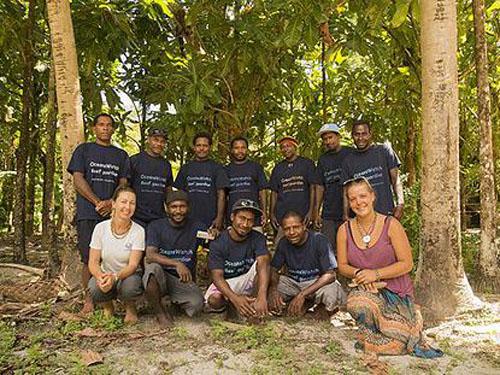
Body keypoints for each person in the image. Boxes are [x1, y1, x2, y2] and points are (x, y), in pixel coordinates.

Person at [337, 177, 442, 357]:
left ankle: (405, 325)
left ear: (372, 196)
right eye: (352, 198)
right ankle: (382, 333)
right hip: (366, 290)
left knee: (402, 337)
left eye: (362, 196)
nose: (358, 202)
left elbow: (407, 264)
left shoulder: (391, 224)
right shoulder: (344, 230)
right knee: (357, 303)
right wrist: (361, 274)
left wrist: (375, 274)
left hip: (396, 293)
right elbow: (342, 266)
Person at [67, 113, 130, 314]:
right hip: (89, 212)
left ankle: (113, 298)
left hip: (114, 215)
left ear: (113, 129)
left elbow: (123, 184)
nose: (105, 128)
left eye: (109, 125)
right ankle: (89, 299)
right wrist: (97, 202)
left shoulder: (121, 155)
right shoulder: (83, 150)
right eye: (101, 125)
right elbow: (77, 179)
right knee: (89, 258)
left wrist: (112, 203)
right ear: (94, 128)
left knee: (112, 257)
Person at [143, 191, 207, 328]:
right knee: (152, 268)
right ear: (166, 208)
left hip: (181, 280)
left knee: (196, 305)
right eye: (174, 207)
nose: (178, 211)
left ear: (188, 207)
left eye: (182, 206)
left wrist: (215, 234)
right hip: (161, 275)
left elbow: (212, 245)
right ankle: (159, 313)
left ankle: (174, 304)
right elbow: (150, 255)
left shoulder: (197, 227)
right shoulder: (155, 226)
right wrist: (177, 263)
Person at [268, 211, 346, 318]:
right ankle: (298, 305)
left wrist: (302, 294)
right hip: (294, 283)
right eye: (287, 229)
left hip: (315, 283)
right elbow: (273, 269)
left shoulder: (319, 240)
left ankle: (316, 307)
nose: (291, 232)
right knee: (266, 284)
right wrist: (273, 290)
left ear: (304, 226)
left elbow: (331, 275)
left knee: (332, 290)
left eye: (296, 227)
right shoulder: (283, 243)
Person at [87, 185, 145, 324]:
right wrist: (101, 277)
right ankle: (108, 307)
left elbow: (133, 264)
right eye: (123, 202)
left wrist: (115, 277)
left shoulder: (139, 231)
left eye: (132, 203)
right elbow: (93, 262)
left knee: (130, 287)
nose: (128, 207)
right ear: (114, 204)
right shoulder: (100, 228)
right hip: (106, 272)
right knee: (94, 287)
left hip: (129, 275)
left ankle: (130, 308)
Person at [206, 199, 270, 319]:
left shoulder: (258, 238)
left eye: (250, 220)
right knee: (214, 300)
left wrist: (262, 295)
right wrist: (234, 298)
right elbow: (217, 276)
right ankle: (232, 306)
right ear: (232, 217)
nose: (245, 224)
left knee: (264, 264)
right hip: (228, 283)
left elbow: (263, 263)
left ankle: (253, 307)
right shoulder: (219, 242)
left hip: (247, 281)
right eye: (242, 218)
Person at [341, 119, 404, 221]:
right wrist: (345, 214)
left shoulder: (384, 151)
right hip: (361, 218)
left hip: (386, 214)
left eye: (364, 134)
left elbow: (396, 180)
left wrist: (400, 203)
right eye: (357, 134)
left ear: (370, 134)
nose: (360, 138)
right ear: (352, 136)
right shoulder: (348, 161)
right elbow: (346, 192)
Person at [174, 132, 229, 236]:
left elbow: (221, 195)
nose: (201, 148)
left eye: (205, 145)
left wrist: (219, 218)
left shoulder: (217, 168)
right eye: (198, 145)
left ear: (210, 147)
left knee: (208, 249)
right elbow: (179, 195)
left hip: (210, 220)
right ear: (194, 147)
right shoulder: (186, 168)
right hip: (187, 219)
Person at [269, 136, 320, 242]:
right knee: (280, 246)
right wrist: (272, 214)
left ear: (295, 147)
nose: (285, 149)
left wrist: (312, 211)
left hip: (303, 215)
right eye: (282, 147)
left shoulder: (307, 164)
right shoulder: (278, 168)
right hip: (283, 216)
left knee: (307, 246)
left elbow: (313, 188)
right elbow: (274, 192)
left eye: (288, 146)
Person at [314, 123, 351, 252]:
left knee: (348, 248)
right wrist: (317, 211)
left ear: (338, 136)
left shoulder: (350, 153)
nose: (328, 141)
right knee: (328, 249)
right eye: (325, 139)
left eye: (330, 137)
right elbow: (320, 186)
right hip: (329, 212)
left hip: (351, 211)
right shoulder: (323, 159)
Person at [129, 128, 173, 227]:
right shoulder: (135, 160)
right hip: (136, 217)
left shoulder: (166, 165)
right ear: (148, 140)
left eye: (162, 141)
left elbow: (168, 190)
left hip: (158, 218)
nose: (158, 144)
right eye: (155, 140)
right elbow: (126, 187)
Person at [225, 136, 268, 229]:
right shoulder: (226, 170)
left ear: (247, 149)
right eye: (236, 148)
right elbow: (223, 196)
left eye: (243, 147)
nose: (240, 151)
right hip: (233, 220)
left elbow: (262, 191)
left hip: (254, 219)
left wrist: (264, 211)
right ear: (232, 150)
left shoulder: (256, 167)